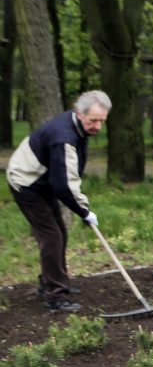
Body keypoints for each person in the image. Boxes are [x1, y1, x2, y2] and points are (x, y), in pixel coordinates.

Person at [7, 90, 111, 312]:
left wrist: (81, 208)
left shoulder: (78, 127)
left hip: (42, 180)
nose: (98, 127)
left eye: (102, 121)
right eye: (94, 121)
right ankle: (55, 296)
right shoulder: (63, 137)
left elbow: (66, 177)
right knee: (51, 236)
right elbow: (63, 184)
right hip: (26, 183)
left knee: (59, 233)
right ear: (79, 113)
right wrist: (83, 211)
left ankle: (52, 281)